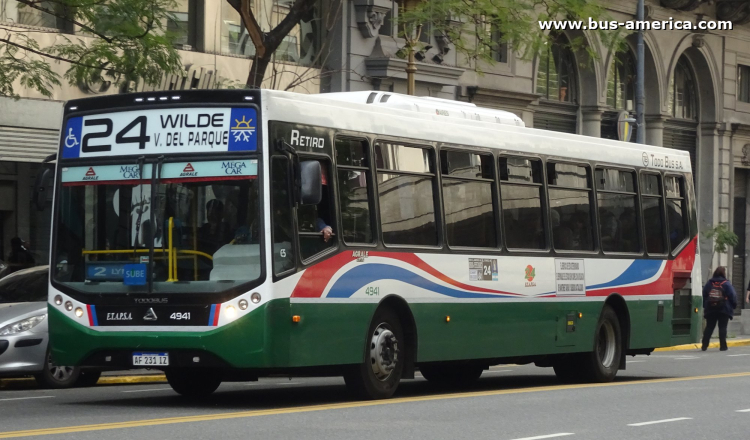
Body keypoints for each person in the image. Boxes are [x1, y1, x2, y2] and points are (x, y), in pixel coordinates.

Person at [702, 266, 738, 351]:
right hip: (724, 309)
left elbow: (704, 294)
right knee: (722, 327)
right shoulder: (726, 283)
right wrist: (733, 305)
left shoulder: (709, 283)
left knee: (709, 327)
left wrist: (705, 305)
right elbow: (733, 295)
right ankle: (723, 346)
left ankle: (704, 345)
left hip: (710, 308)